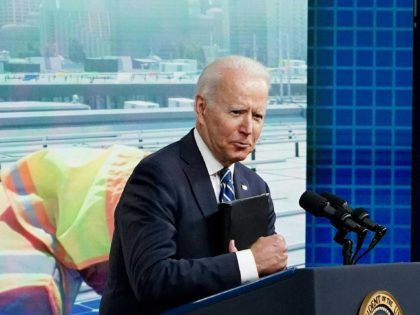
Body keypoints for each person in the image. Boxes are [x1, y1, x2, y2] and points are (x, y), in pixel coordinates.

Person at [100, 55, 288, 314]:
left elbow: (264, 273)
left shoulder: (255, 186)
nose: (248, 128)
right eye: (237, 112)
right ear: (201, 108)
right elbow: (153, 279)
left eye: (258, 116)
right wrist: (247, 262)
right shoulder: (157, 175)